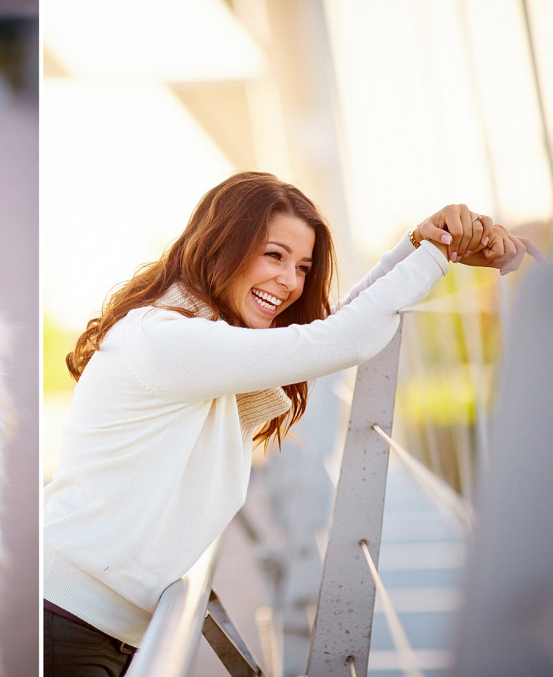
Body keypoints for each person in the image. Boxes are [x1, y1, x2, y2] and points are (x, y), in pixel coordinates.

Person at [42, 171, 539, 677]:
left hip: (96, 626)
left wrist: (421, 246)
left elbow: (331, 329)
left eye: (301, 266)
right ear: (220, 246)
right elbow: (341, 340)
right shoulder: (167, 339)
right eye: (273, 255)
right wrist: (438, 254)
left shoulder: (194, 332)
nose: (290, 282)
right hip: (69, 622)